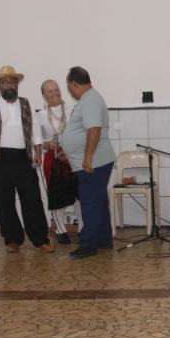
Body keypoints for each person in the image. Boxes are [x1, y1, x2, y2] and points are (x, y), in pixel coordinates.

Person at [0, 65, 53, 254]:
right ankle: (12, 239)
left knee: (32, 199)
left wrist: (38, 149)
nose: (8, 85)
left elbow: (35, 128)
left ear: (17, 84)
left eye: (12, 81)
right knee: (3, 201)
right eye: (5, 82)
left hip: (23, 158)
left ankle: (40, 240)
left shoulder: (26, 103)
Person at [60, 66, 116, 258]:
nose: (70, 92)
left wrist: (87, 158)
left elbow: (94, 130)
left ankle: (88, 244)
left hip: (94, 162)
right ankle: (103, 239)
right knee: (98, 200)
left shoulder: (90, 100)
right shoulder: (89, 98)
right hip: (95, 160)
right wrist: (69, 149)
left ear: (74, 84)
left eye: (69, 88)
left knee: (90, 202)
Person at [35, 79, 80, 244]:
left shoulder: (72, 109)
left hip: (73, 157)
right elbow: (37, 140)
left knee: (79, 193)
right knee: (57, 195)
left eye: (56, 89)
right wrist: (48, 144)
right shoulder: (39, 115)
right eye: (50, 91)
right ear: (44, 95)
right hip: (53, 159)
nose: (54, 93)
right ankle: (61, 230)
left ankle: (82, 228)